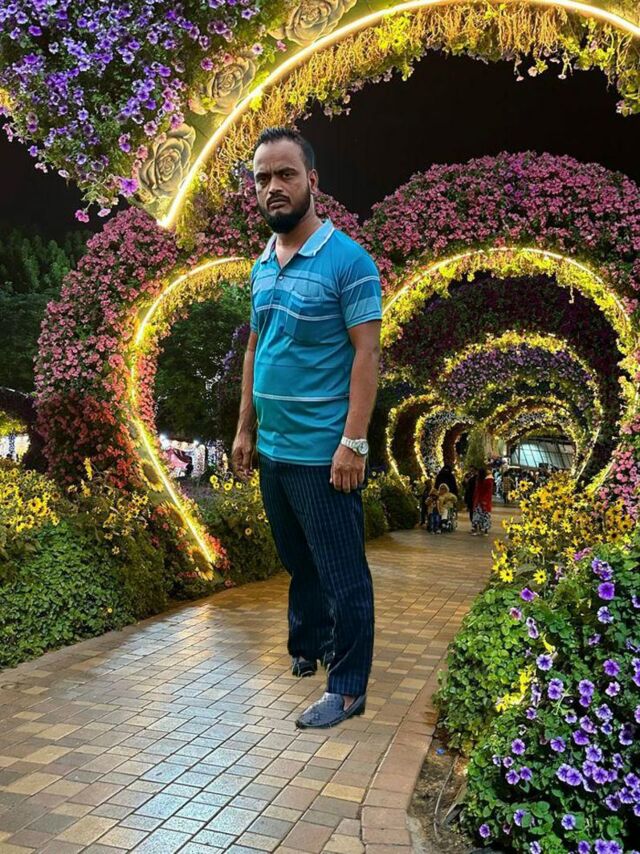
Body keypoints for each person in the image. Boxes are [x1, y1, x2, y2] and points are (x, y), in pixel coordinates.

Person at [231, 127, 382, 730]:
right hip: (273, 452)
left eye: (285, 174)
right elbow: (255, 348)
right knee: (301, 563)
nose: (273, 186)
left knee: (344, 576)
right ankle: (311, 644)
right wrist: (244, 430)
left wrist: (354, 442)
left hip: (324, 456)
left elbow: (367, 354)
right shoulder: (261, 265)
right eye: (262, 177)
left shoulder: (349, 261)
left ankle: (347, 689)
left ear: (312, 180)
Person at [472, 467, 494, 536]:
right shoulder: (488, 481)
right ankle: (485, 530)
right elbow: (488, 492)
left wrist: (476, 499)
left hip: (479, 501)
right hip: (484, 502)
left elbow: (477, 491)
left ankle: (476, 529)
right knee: (485, 516)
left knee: (477, 516)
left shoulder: (481, 481)